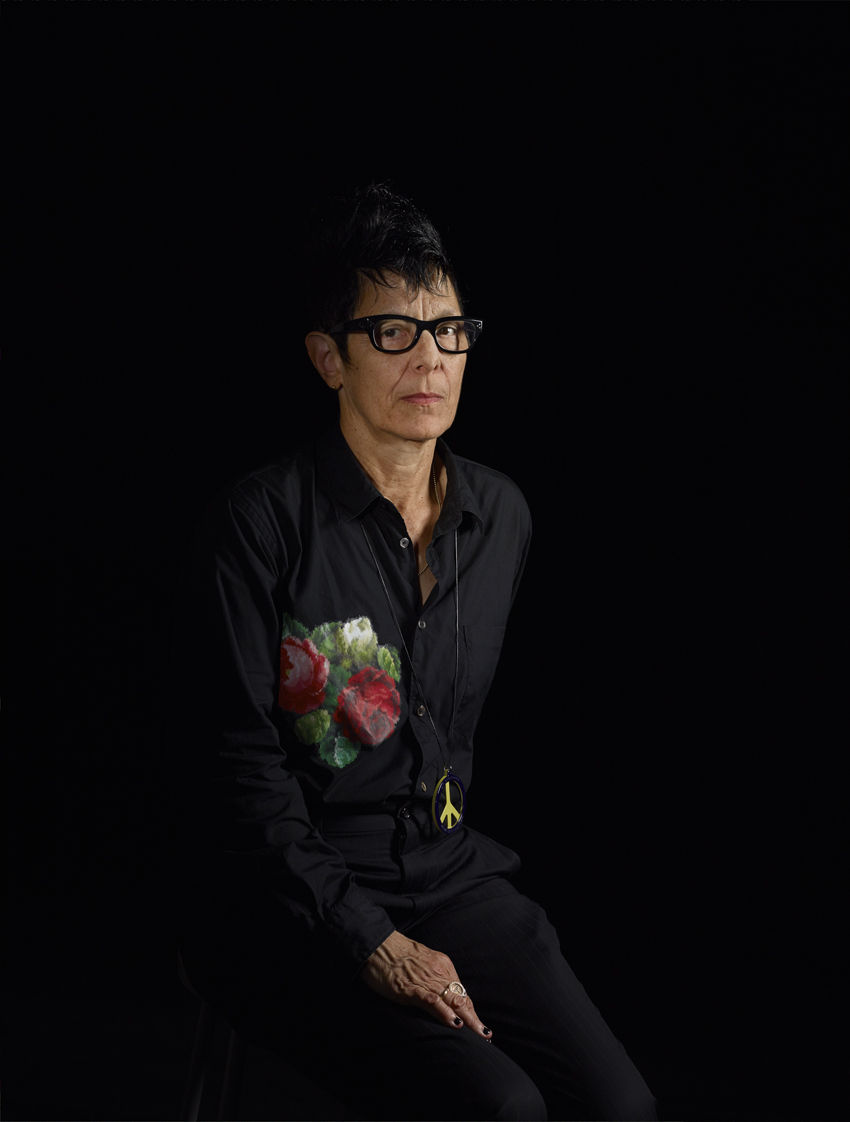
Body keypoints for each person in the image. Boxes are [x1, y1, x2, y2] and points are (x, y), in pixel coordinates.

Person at [167, 183, 657, 1121]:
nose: (429, 357)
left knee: (620, 1108)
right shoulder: (258, 525)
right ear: (329, 358)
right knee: (501, 1107)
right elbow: (234, 776)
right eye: (392, 332)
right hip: (287, 899)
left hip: (443, 871)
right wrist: (371, 941)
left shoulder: (500, 514)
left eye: (450, 329)